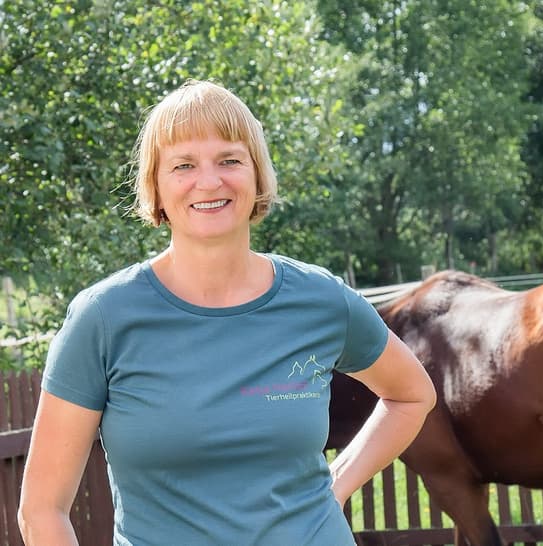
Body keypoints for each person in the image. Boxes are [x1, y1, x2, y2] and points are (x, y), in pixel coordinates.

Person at [17, 79, 436, 545]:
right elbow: (41, 510)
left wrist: (336, 486)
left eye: (230, 160)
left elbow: (411, 395)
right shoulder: (103, 318)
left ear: (257, 175)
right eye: (184, 165)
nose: (210, 181)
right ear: (155, 186)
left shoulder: (320, 300)